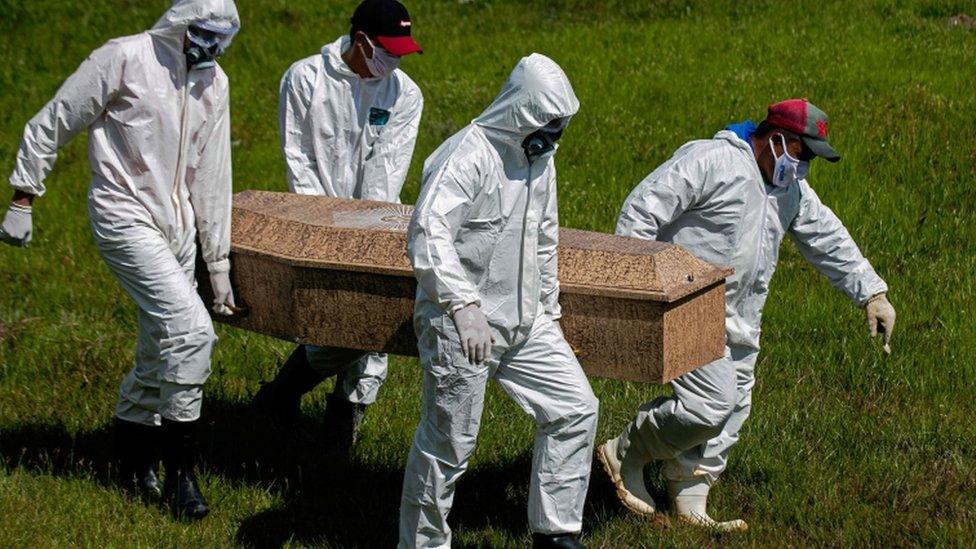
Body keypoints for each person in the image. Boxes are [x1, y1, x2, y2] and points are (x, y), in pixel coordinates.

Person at [598, 99, 897, 531]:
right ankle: (627, 451)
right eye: (803, 152)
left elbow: (825, 236)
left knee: (734, 409)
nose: (806, 164)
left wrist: (871, 293)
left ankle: (689, 497)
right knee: (709, 406)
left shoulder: (787, 188)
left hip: (741, 315)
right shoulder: (713, 160)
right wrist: (637, 286)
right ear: (777, 139)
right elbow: (643, 208)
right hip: (684, 304)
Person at [1, 0, 242, 520]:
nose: (212, 46)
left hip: (176, 227)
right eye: (204, 34)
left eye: (223, 38)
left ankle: (131, 463)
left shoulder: (213, 83)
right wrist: (24, 193)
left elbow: (213, 174)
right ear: (181, 24)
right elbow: (56, 118)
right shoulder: (125, 58)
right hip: (122, 214)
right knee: (191, 332)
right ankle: (182, 476)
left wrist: (216, 263)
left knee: (159, 347)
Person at [399, 53, 599, 549]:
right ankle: (422, 544)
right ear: (522, 113)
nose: (554, 139)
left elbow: (544, 238)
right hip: (460, 324)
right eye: (548, 127)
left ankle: (556, 533)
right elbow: (428, 231)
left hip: (526, 322)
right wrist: (463, 305)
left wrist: (549, 310)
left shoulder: (540, 161)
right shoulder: (466, 156)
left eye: (561, 129)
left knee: (575, 407)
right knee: (449, 444)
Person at [253, 0, 423, 451]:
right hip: (317, 224)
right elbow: (300, 161)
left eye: (402, 53)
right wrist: (324, 233)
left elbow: (385, 174)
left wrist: (367, 241)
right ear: (362, 40)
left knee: (374, 323)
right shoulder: (306, 79)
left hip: (374, 223)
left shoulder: (403, 94)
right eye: (388, 51)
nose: (395, 62)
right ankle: (283, 397)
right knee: (328, 321)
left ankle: (344, 416)